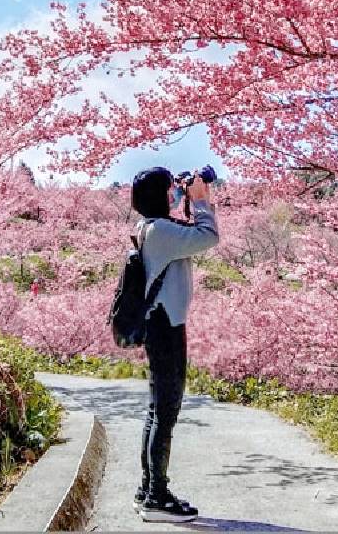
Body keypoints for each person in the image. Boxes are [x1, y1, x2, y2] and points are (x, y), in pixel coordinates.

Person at [129, 166, 219, 523]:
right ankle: (157, 497)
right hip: (167, 326)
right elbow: (208, 237)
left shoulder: (149, 227)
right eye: (170, 190)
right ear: (159, 195)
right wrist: (200, 202)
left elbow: (180, 222)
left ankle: (148, 489)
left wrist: (186, 194)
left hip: (159, 323)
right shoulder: (163, 232)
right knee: (165, 412)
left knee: (157, 411)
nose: (174, 195)